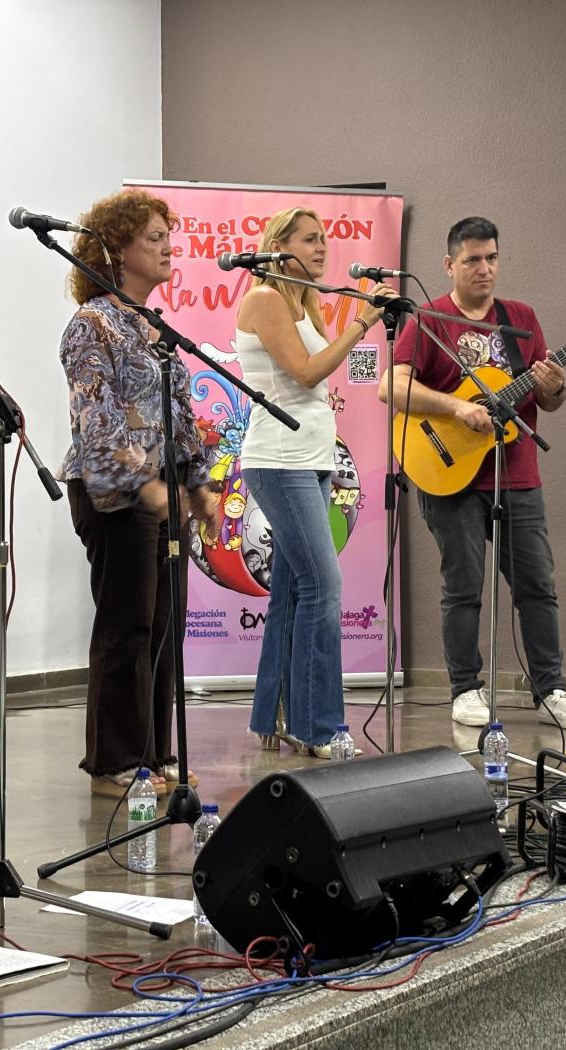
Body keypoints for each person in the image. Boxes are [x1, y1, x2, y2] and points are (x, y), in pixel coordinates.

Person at [377, 216, 566, 731]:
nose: (484, 268)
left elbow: (549, 403)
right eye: (472, 260)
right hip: (449, 474)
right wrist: (454, 409)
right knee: (462, 586)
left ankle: (550, 688)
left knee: (538, 584)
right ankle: (466, 689)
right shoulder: (429, 319)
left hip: (516, 473)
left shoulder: (521, 319)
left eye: (491, 258)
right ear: (449, 265)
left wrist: (554, 386)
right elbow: (390, 386)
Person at [56, 189, 221, 797]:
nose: (167, 247)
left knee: (163, 624)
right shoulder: (90, 323)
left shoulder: (154, 327)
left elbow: (183, 414)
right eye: (153, 237)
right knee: (127, 625)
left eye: (167, 237)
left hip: (163, 493)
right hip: (115, 495)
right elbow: (95, 421)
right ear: (115, 249)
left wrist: (198, 484)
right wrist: (148, 488)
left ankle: (153, 752)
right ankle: (113, 763)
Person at [232, 207, 391, 757]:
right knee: (324, 586)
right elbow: (304, 372)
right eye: (310, 239)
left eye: (325, 239)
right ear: (279, 245)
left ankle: (275, 715)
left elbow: (312, 380)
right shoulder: (265, 300)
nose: (323, 248)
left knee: (293, 590)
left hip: (313, 457)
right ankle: (319, 726)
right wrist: (362, 323)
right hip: (280, 461)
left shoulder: (304, 303)